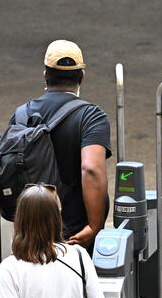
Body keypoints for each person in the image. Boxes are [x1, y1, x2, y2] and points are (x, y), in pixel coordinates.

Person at [7, 40, 111, 251]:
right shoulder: (90, 117)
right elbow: (91, 169)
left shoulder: (21, 114)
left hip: (30, 236)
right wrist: (94, 226)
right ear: (82, 75)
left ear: (46, 74)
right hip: (73, 236)